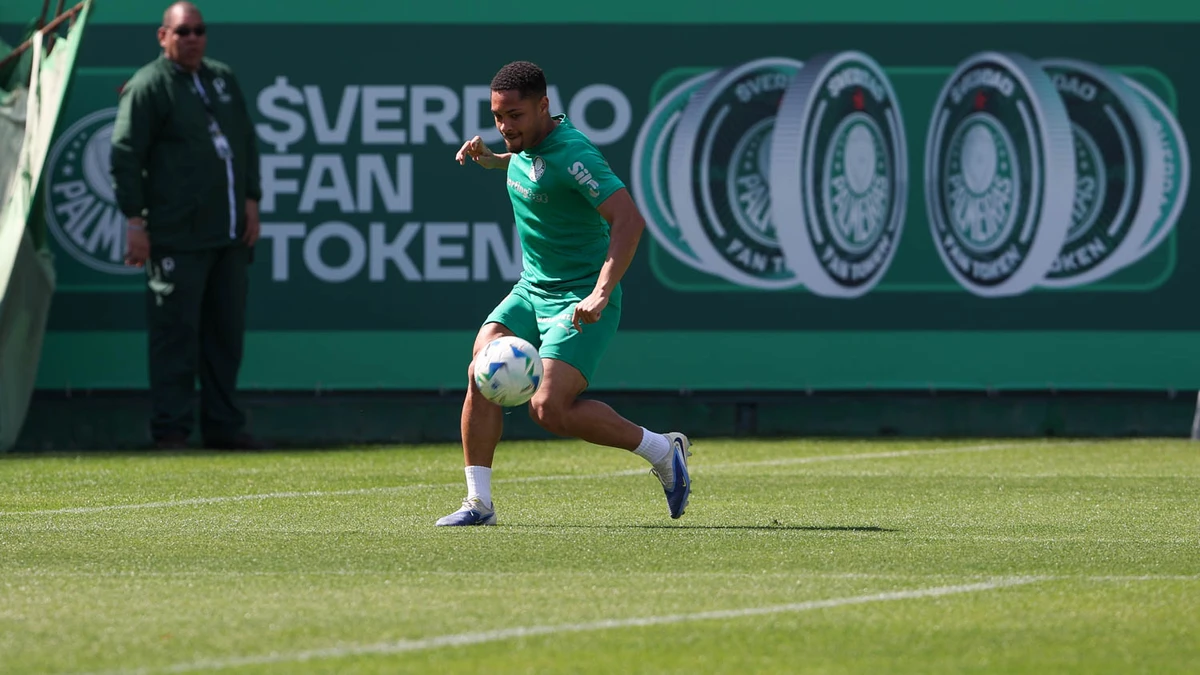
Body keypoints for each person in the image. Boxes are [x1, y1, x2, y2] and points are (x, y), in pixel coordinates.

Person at [438, 61, 692, 526]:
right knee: (481, 369)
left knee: (547, 409)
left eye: (514, 116)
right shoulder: (527, 146)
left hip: (580, 298)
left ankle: (661, 449)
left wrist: (598, 294)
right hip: (531, 288)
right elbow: (535, 169)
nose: (504, 125)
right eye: (497, 116)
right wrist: (494, 158)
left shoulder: (575, 153)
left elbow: (629, 221)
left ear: (543, 107)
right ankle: (479, 504)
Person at [109, 2, 264, 451]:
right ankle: (171, 430)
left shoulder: (221, 77)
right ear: (164, 36)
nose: (193, 38)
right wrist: (135, 220)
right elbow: (124, 154)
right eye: (183, 32)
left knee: (225, 337)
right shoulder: (148, 86)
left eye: (199, 30)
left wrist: (251, 199)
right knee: (175, 337)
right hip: (177, 233)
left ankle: (223, 427)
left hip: (230, 233)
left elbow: (245, 142)